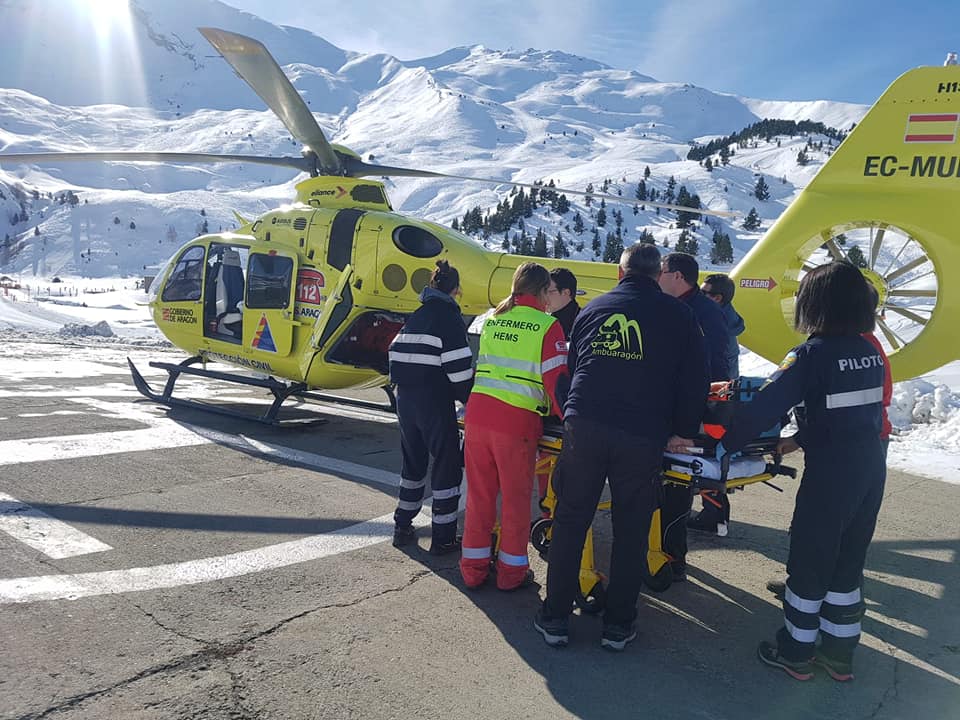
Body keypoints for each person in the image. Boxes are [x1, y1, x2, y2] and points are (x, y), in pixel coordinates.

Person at [713, 262, 887, 681]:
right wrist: (799, 439)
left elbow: (764, 408)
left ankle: (794, 651)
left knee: (811, 559)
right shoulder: (869, 351)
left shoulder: (811, 354)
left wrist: (719, 445)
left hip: (832, 474)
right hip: (871, 466)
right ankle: (839, 654)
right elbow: (846, 411)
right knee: (847, 563)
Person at [534, 243, 709, 651]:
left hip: (585, 425)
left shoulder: (593, 309)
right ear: (655, 275)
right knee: (631, 529)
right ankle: (619, 625)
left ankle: (555, 617)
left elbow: (575, 369)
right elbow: (695, 379)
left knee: (571, 520)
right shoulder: (679, 315)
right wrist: (683, 429)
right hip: (641, 432)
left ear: (620, 272)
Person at [460, 262, 569, 591]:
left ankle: (473, 569)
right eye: (550, 290)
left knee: (480, 498)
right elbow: (556, 382)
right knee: (516, 500)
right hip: (516, 422)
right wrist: (571, 419)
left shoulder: (494, 319)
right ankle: (511, 573)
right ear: (541, 291)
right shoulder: (548, 326)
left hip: (478, 415)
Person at [388, 260, 473, 555]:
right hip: (434, 401)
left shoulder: (418, 314)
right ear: (456, 290)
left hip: (405, 399)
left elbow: (394, 352)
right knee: (446, 465)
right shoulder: (448, 318)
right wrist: (470, 401)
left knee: (413, 463)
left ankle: (402, 524)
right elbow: (460, 371)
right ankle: (444, 537)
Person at [658, 252, 732, 574]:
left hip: (692, 414)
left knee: (676, 482)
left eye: (661, 271)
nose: (657, 277)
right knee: (670, 482)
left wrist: (692, 420)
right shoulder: (692, 309)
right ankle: (667, 550)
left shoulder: (699, 312)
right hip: (685, 409)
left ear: (676, 276)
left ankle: (671, 559)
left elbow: (711, 370)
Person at [687, 273, 746, 534]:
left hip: (714, 400)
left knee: (706, 458)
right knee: (712, 457)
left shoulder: (713, 325)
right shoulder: (725, 322)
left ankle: (713, 515)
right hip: (719, 400)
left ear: (717, 298)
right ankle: (716, 514)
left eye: (705, 292)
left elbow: (719, 371)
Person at [701, 273, 745, 378]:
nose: (698, 295)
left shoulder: (721, 330)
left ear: (717, 298)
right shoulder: (717, 316)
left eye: (703, 293)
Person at [547, 267, 580, 339]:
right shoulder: (545, 320)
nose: (544, 296)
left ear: (566, 292)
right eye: (543, 291)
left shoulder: (583, 321)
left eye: (549, 292)